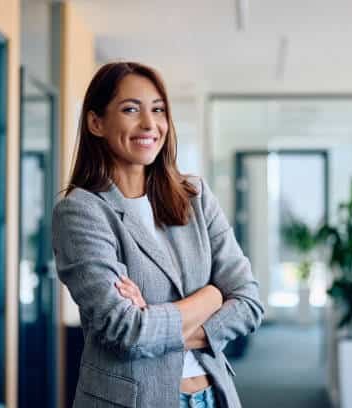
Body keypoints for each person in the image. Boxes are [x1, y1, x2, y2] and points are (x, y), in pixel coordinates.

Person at [52, 61, 264, 408]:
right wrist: (211, 296)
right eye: (131, 109)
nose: (149, 124)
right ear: (96, 122)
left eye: (158, 109)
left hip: (213, 395)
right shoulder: (81, 211)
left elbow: (249, 302)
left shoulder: (194, 197)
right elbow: (128, 332)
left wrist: (154, 318)